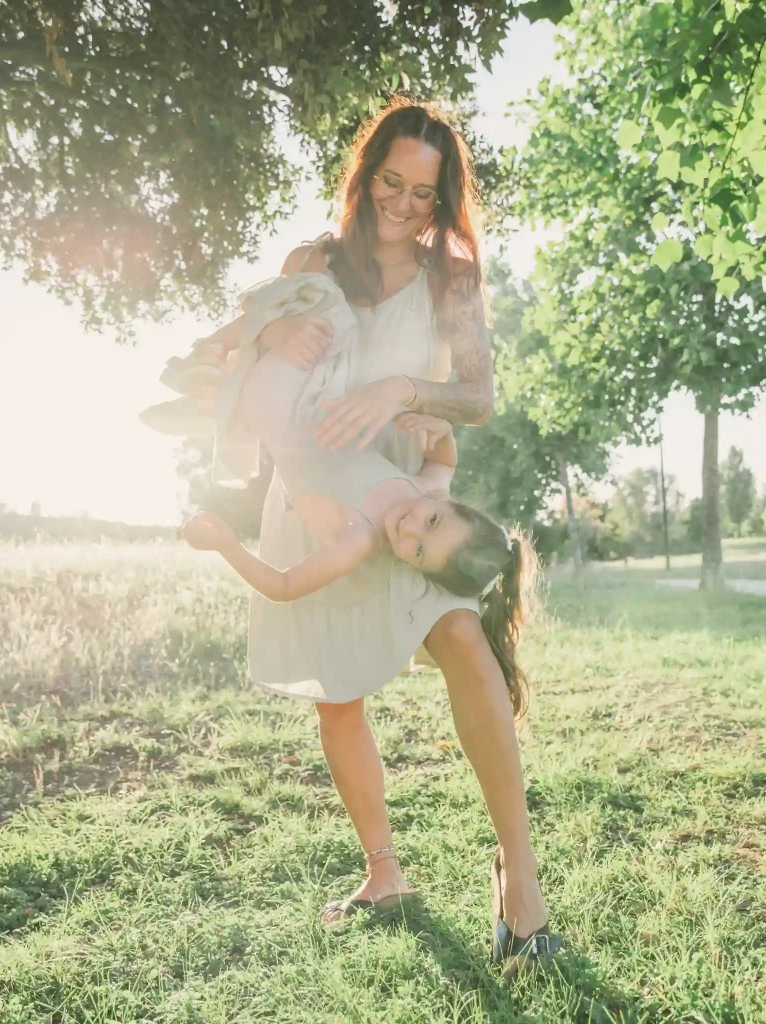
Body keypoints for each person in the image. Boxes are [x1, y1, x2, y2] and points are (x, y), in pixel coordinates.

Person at [192, 97, 562, 982]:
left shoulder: (455, 279)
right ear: (365, 177)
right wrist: (269, 335)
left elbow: (477, 398)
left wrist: (402, 389)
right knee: (338, 688)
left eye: (423, 195)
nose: (401, 206)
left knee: (467, 638)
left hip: (405, 503)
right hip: (317, 494)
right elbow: (228, 359)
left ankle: (520, 880)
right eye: (389, 183)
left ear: (445, 200)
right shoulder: (311, 262)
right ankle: (383, 876)